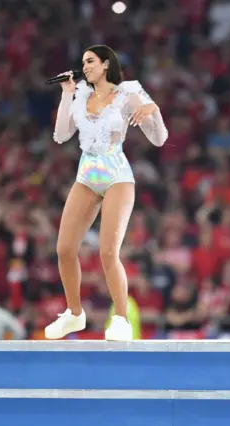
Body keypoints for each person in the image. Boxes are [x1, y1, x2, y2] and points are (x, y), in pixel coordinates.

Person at [46, 45, 168, 341]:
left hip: (116, 174)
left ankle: (122, 318)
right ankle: (74, 314)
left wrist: (153, 109)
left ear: (105, 64)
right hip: (86, 174)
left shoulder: (127, 93)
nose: (84, 67)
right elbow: (61, 136)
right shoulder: (81, 95)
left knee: (108, 251)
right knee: (64, 249)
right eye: (83, 62)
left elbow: (160, 139)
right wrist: (66, 93)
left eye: (90, 61)